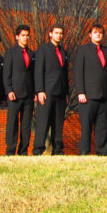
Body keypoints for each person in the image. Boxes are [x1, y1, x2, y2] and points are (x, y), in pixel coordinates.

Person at [74, 23, 107, 156]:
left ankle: (102, 151)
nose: (98, 34)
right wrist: (81, 92)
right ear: (90, 34)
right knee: (86, 127)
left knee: (102, 127)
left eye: (100, 33)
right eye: (95, 32)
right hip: (88, 96)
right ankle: (84, 152)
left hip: (104, 96)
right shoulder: (83, 50)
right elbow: (78, 73)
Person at [33, 24, 69, 155]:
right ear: (50, 34)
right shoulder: (43, 50)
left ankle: (58, 150)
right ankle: (38, 150)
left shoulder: (64, 52)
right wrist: (40, 91)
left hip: (60, 93)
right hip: (47, 92)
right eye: (56, 33)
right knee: (43, 122)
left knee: (58, 124)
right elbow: (38, 71)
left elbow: (65, 74)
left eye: (61, 33)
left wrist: (67, 93)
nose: (59, 35)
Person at [3, 25, 35, 156]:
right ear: (17, 37)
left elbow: (34, 75)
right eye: (23, 35)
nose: (25, 38)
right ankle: (10, 150)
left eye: (27, 35)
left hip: (29, 94)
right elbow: (6, 74)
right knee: (12, 124)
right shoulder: (10, 52)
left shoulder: (33, 54)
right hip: (14, 94)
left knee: (26, 125)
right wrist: (9, 90)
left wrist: (35, 92)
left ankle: (23, 151)